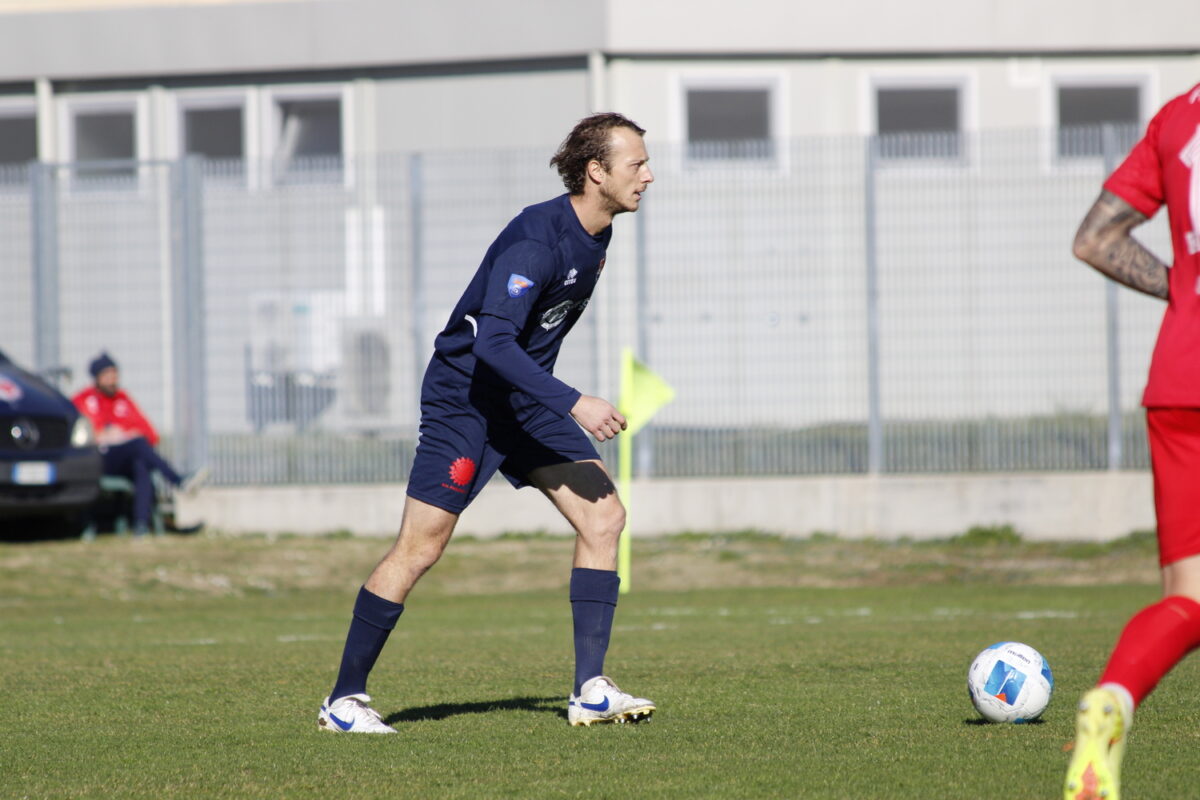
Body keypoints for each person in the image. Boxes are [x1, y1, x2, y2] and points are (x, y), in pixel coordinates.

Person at [317, 112, 656, 734]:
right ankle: (343, 702)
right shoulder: (536, 240)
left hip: (524, 402)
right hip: (467, 401)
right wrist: (574, 399)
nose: (648, 175)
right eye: (636, 164)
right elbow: (493, 345)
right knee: (421, 548)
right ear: (596, 171)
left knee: (604, 515)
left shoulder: (597, 235)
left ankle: (590, 689)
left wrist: (551, 399)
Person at [1064, 82, 1200, 800]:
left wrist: (1187, 294)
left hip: (1182, 372)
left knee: (1190, 595)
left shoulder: (1179, 116)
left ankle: (1115, 698)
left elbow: (1094, 239)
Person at [72, 352, 206, 535]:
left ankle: (141, 525)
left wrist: (124, 433)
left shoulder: (123, 399)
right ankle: (178, 481)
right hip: (100, 459)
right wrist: (105, 435)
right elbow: (80, 433)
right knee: (138, 445)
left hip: (125, 457)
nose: (112, 380)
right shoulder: (83, 400)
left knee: (141, 463)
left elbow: (150, 434)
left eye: (115, 374)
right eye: (107, 375)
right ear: (97, 378)